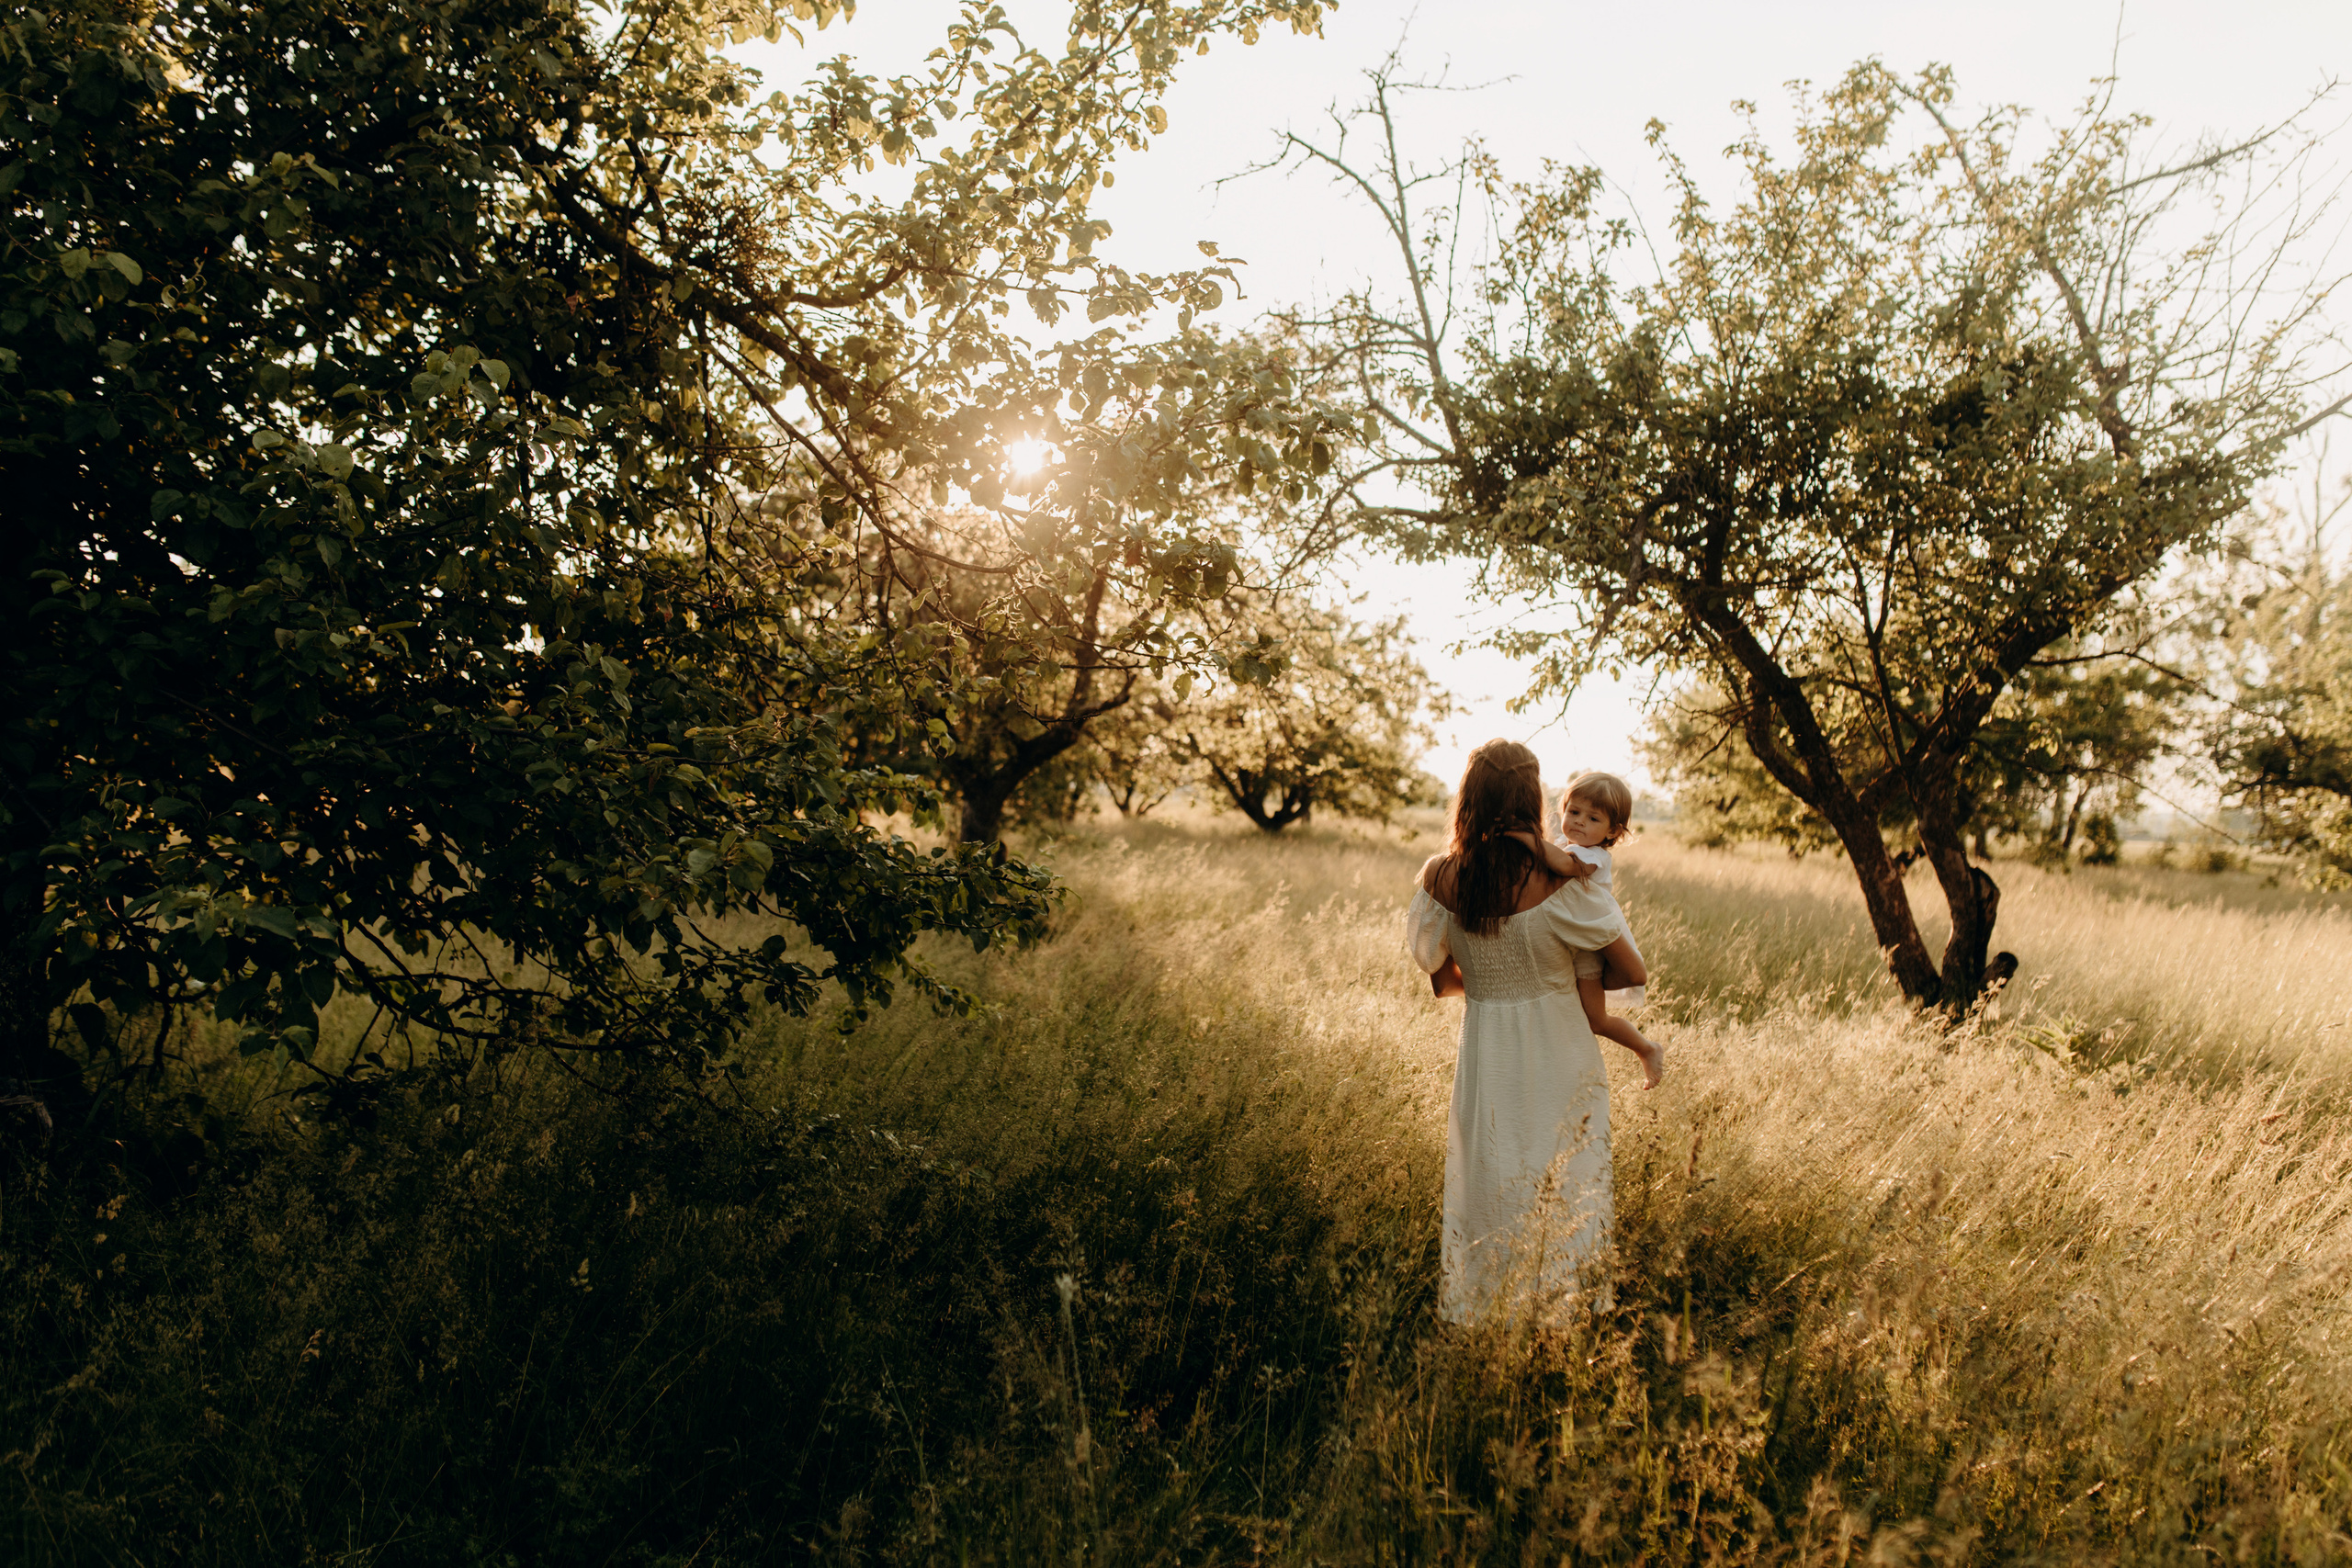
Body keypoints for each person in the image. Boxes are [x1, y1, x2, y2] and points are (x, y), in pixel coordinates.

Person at [1406, 740, 1646, 1323]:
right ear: (1531, 798)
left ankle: (1485, 1312)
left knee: (1488, 1176)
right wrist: (1562, 975)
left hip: (1487, 1049)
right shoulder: (1564, 880)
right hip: (1560, 1046)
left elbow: (1443, 982)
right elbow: (1632, 973)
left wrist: (1495, 985)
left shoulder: (1440, 877)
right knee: (1566, 1178)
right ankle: (1566, 1313)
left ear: (1469, 796)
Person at [1509, 771, 1666, 1090]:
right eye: (1574, 811)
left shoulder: (1592, 856)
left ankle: (1646, 1048)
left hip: (1592, 941)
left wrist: (1527, 838)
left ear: (1613, 831)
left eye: (1593, 818)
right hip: (1570, 937)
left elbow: (1564, 866)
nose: (1579, 822)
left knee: (1596, 1019)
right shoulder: (1564, 845)